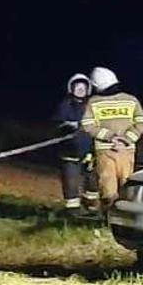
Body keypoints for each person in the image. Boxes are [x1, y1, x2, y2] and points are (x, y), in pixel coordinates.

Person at [80, 67, 143, 214]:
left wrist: (110, 137)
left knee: (109, 187)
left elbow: (88, 125)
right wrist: (127, 139)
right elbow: (141, 123)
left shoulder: (93, 102)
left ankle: (112, 217)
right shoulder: (131, 100)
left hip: (106, 150)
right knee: (124, 186)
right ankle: (117, 218)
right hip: (123, 150)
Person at [51, 74, 96, 215]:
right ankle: (73, 210)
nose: (81, 89)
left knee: (93, 182)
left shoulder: (92, 107)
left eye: (83, 87)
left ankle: (92, 207)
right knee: (70, 181)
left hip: (90, 152)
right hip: (69, 153)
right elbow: (57, 123)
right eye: (77, 87)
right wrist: (67, 126)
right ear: (71, 88)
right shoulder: (65, 105)